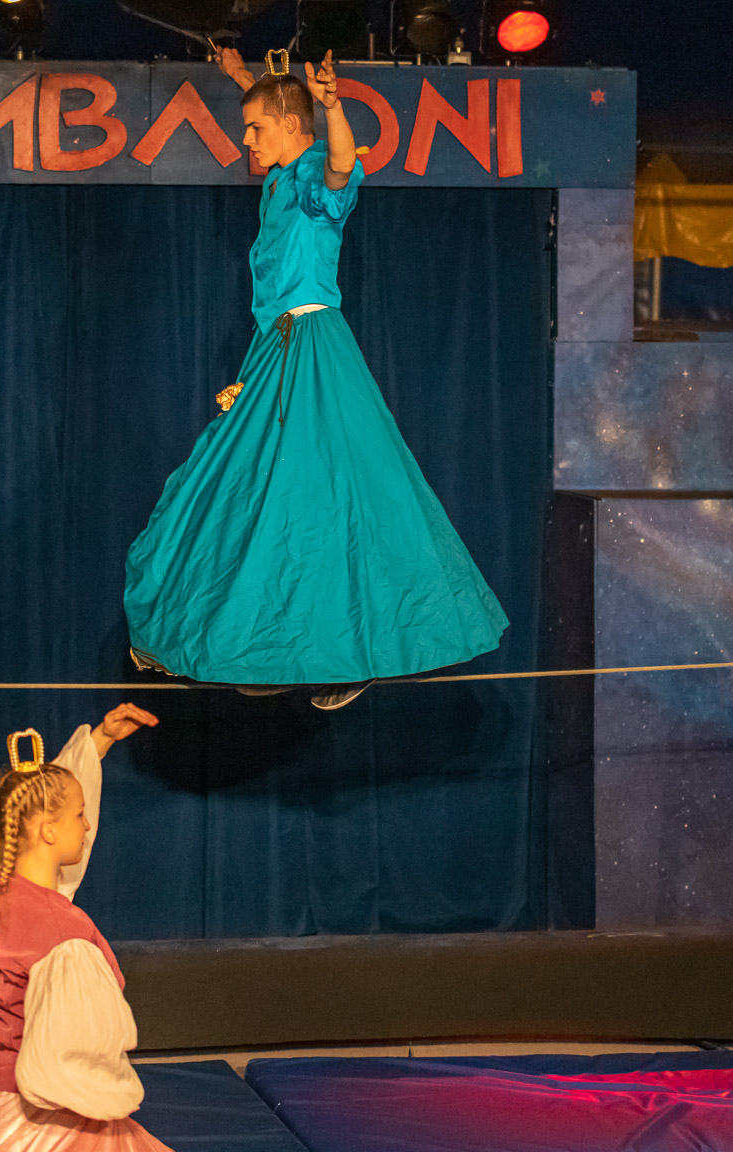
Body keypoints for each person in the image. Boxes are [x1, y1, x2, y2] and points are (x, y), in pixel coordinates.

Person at [123, 48, 507, 711]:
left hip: (314, 348)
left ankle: (348, 654)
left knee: (321, 495)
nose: (247, 140)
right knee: (234, 486)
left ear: (288, 125)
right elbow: (282, 109)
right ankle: (267, 646)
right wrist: (245, 79)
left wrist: (331, 106)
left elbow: (337, 164)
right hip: (273, 352)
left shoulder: (311, 174)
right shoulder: (277, 180)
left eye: (255, 128)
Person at [0, 703, 167, 1152]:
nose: (88, 824)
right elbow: (76, 1061)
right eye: (79, 815)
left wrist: (100, 740)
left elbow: (32, 807)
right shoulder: (64, 933)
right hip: (50, 1118)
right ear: (50, 832)